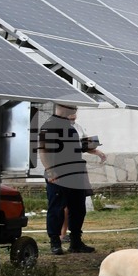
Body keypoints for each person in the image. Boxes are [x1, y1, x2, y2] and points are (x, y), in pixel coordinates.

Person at [37, 103, 98, 255]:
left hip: (75, 173)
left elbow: (75, 147)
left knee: (78, 208)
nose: (75, 111)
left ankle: (76, 242)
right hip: (59, 173)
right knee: (57, 208)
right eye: (73, 108)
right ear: (63, 108)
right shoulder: (50, 125)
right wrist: (50, 170)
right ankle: (55, 242)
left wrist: (92, 147)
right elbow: (43, 150)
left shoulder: (70, 126)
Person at [60, 120, 105, 244]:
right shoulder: (58, 126)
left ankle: (75, 236)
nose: (74, 113)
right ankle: (61, 234)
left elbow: (84, 145)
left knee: (77, 204)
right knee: (64, 203)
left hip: (77, 167)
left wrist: (96, 151)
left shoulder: (78, 127)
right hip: (64, 167)